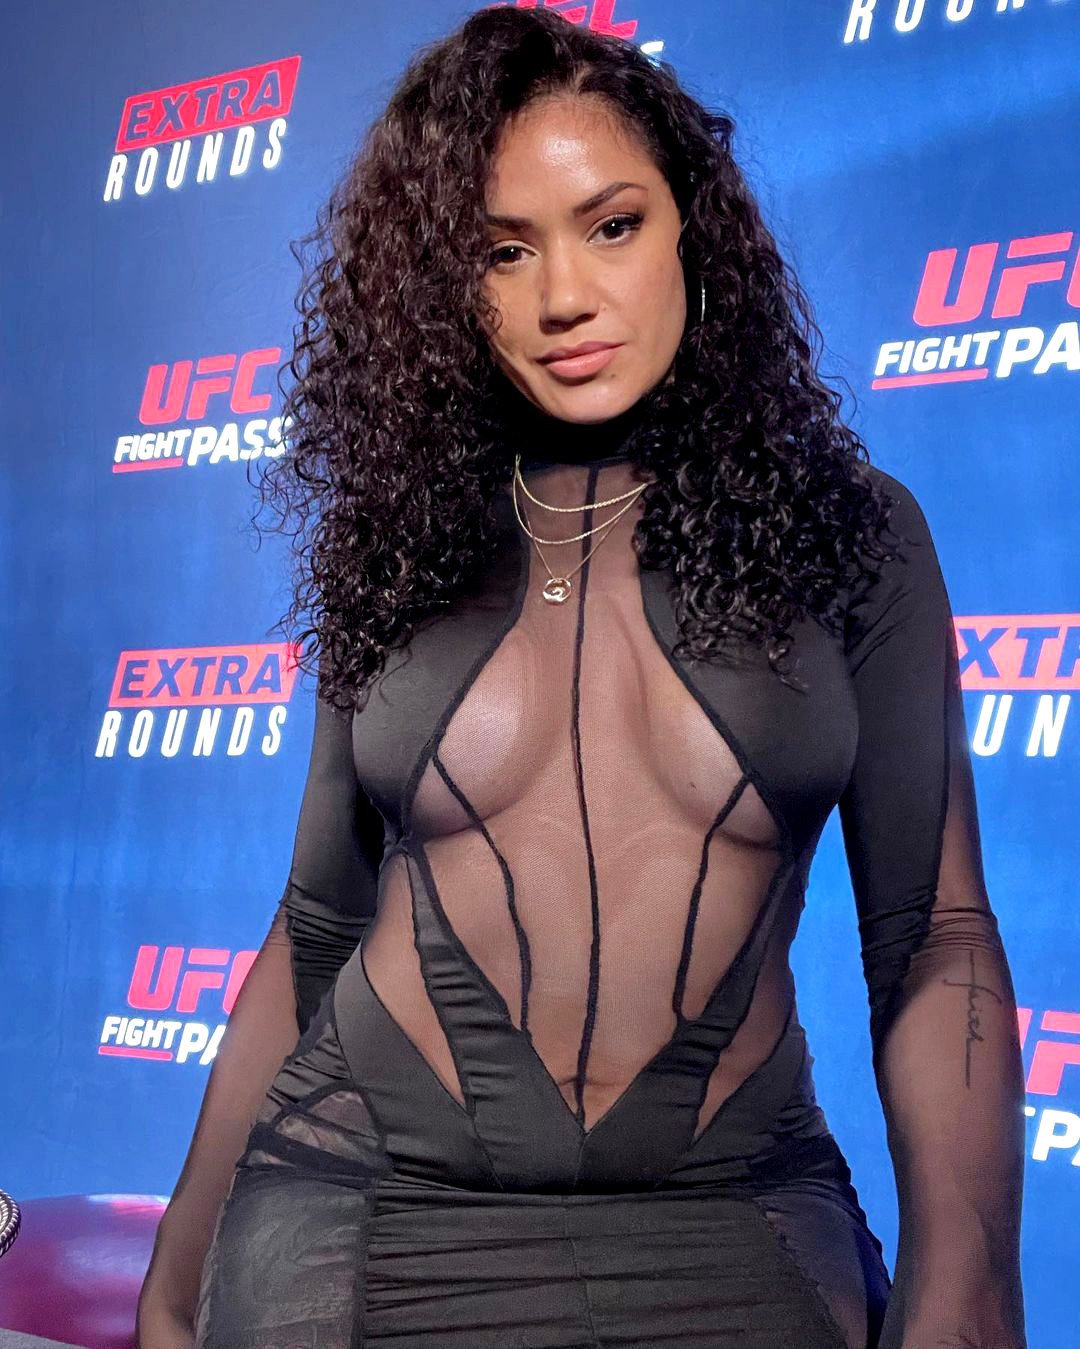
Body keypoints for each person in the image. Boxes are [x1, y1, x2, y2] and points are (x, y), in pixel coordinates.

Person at [135, 7, 1028, 1347]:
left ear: (691, 234)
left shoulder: (853, 530)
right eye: (504, 250)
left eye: (612, 225)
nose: (564, 295)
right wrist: (173, 1285)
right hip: (370, 1198)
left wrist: (969, 1295)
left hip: (727, 1207)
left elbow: (936, 938)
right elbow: (319, 920)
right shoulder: (401, 534)